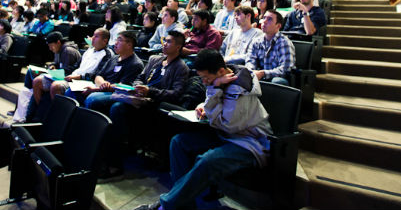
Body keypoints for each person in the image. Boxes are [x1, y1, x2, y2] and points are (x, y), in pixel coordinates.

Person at [134, 49, 271, 210]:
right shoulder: (219, 80)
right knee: (179, 142)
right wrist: (204, 107)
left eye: (206, 78)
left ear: (220, 71)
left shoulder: (240, 87)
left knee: (207, 160)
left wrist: (213, 93)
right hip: (224, 135)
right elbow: (216, 111)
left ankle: (166, 206)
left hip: (249, 143)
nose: (204, 82)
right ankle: (183, 204)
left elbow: (228, 124)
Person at [100, 31, 189, 177]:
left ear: (178, 47)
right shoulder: (155, 59)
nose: (164, 44)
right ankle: (102, 155)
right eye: (164, 41)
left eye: (169, 42)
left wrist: (150, 91)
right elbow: (139, 77)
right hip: (137, 98)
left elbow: (176, 94)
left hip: (153, 106)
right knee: (108, 105)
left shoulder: (181, 67)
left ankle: (114, 164)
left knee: (117, 109)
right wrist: (138, 87)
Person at [16, 31, 81, 123]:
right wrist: (52, 66)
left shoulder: (68, 51)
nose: (50, 48)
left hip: (68, 80)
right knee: (32, 74)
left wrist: (55, 71)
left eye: (51, 45)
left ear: (58, 42)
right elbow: (56, 63)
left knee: (37, 81)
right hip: (58, 76)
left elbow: (68, 72)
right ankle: (28, 111)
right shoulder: (58, 50)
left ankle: (35, 115)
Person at [39, 28, 113, 101]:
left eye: (96, 36)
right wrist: (59, 72)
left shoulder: (107, 54)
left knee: (56, 86)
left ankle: (58, 112)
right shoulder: (89, 50)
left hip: (86, 82)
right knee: (38, 80)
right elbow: (75, 66)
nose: (92, 38)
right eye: (93, 35)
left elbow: (98, 74)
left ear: (105, 40)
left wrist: (79, 77)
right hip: (73, 78)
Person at [75, 32, 144, 107]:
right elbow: (99, 75)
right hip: (101, 87)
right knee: (72, 91)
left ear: (129, 45)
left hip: (115, 92)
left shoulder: (135, 64)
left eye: (120, 40)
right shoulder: (114, 58)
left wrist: (97, 89)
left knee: (92, 99)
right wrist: (102, 84)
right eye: (116, 40)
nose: (116, 43)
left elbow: (123, 86)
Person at [246, 10, 295, 86]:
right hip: (258, 76)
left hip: (275, 78)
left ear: (278, 26)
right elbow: (250, 60)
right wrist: (252, 72)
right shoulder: (256, 41)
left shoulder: (284, 43)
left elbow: (285, 69)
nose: (264, 21)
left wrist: (263, 73)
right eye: (264, 18)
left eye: (269, 19)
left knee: (277, 81)